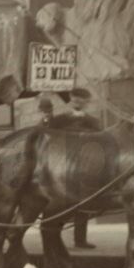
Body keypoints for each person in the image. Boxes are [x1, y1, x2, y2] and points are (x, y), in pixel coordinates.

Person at [50, 87, 103, 248]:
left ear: (86, 103)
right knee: (58, 203)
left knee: (82, 203)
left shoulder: (93, 122)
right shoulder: (58, 121)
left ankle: (80, 240)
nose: (78, 102)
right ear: (71, 100)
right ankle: (53, 238)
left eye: (82, 100)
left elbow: (100, 142)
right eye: (75, 99)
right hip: (60, 166)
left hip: (83, 167)